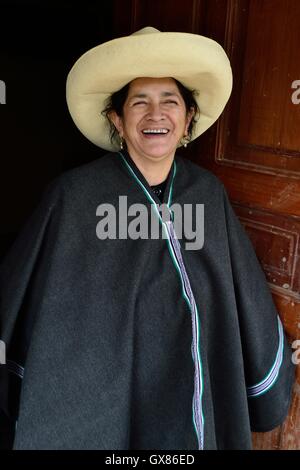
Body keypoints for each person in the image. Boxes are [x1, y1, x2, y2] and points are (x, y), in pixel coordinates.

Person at [0, 27, 295, 450]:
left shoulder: (206, 194)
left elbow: (237, 295)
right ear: (117, 119)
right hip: (99, 393)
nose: (156, 115)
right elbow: (35, 302)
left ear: (188, 117)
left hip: (188, 385)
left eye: (170, 101)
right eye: (139, 102)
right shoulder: (75, 196)